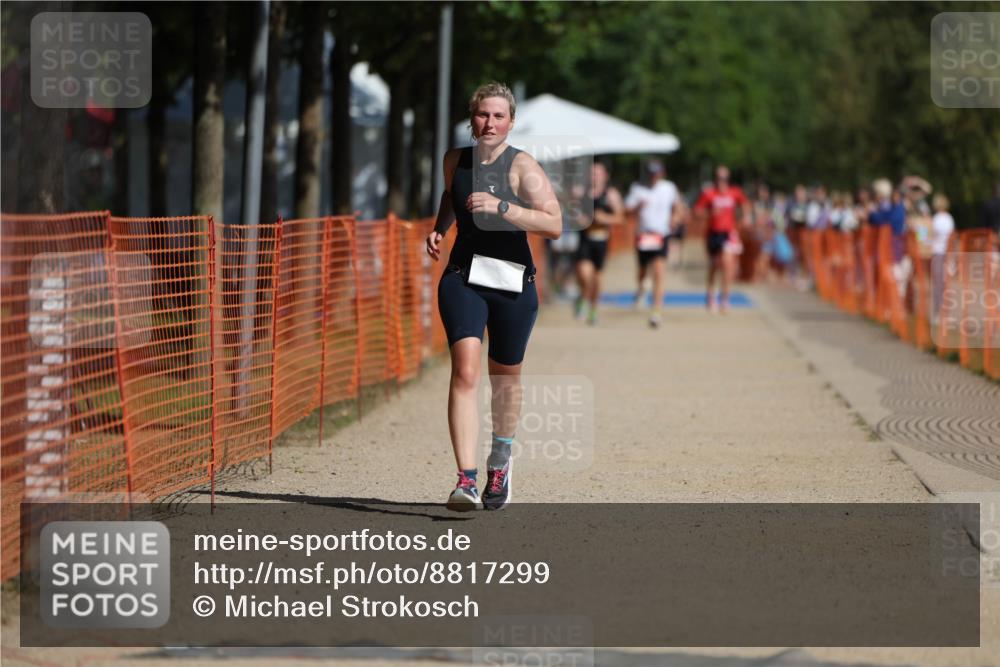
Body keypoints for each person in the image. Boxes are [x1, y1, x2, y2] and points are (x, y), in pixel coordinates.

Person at [425, 82, 561, 511]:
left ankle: (499, 461)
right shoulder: (454, 160)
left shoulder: (523, 166)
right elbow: (452, 195)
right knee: (465, 371)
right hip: (464, 275)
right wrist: (440, 227)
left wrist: (504, 208)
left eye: (499, 116)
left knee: (505, 379)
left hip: (512, 281)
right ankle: (465, 480)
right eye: (483, 114)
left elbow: (554, 224)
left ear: (511, 122)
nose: (490, 123)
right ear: (472, 118)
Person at [624, 159, 681, 328]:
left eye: (656, 173)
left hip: (661, 234)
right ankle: (641, 288)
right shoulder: (638, 188)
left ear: (662, 173)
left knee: (658, 271)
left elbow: (677, 206)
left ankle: (656, 310)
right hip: (643, 235)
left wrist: (675, 218)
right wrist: (638, 207)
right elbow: (627, 210)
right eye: (651, 173)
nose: (653, 177)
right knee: (642, 272)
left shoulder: (669, 188)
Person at [693, 165, 751, 312]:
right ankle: (711, 295)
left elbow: (745, 204)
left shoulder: (734, 192)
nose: (721, 181)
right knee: (714, 266)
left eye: (724, 178)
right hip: (713, 233)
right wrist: (710, 213)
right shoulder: (709, 194)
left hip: (728, 233)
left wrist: (745, 217)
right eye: (719, 178)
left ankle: (725, 298)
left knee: (727, 265)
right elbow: (697, 211)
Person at [573, 161, 625, 325]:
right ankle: (583, 297)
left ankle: (593, 309)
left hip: (602, 240)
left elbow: (621, 218)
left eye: (598, 173)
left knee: (597, 277)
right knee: (583, 273)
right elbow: (569, 212)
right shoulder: (580, 192)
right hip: (585, 239)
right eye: (592, 173)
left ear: (605, 176)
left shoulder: (611, 195)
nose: (594, 176)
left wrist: (604, 218)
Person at [930, 193, 955, 319]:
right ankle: (945, 312)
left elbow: (929, 236)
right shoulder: (949, 218)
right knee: (945, 283)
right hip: (947, 252)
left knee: (938, 283)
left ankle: (938, 313)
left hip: (938, 252)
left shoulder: (936, 219)